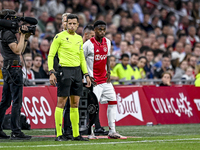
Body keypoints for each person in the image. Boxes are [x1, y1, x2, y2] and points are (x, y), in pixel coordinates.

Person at [48, 14, 91, 141]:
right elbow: (51, 55)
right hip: (64, 71)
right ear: (65, 24)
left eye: (74, 24)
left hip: (77, 72)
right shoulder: (59, 37)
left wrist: (86, 74)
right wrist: (51, 72)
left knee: (75, 104)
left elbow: (82, 58)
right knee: (61, 103)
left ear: (78, 25)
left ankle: (76, 134)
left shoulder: (78, 38)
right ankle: (58, 134)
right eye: (69, 23)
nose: (72, 25)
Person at [83, 20, 126, 139]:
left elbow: (107, 56)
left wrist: (109, 71)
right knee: (93, 106)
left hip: (104, 80)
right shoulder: (88, 44)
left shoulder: (107, 42)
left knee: (113, 101)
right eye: (99, 29)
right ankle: (90, 132)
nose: (102, 32)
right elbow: (82, 60)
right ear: (95, 30)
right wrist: (87, 75)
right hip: (94, 81)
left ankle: (112, 130)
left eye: (104, 29)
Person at [0, 9, 31, 140]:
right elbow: (17, 50)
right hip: (13, 68)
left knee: (5, 102)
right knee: (16, 101)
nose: (15, 21)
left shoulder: (4, 32)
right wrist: (22, 36)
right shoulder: (7, 34)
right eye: (12, 18)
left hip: (9, 68)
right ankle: (16, 131)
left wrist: (25, 38)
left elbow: (21, 49)